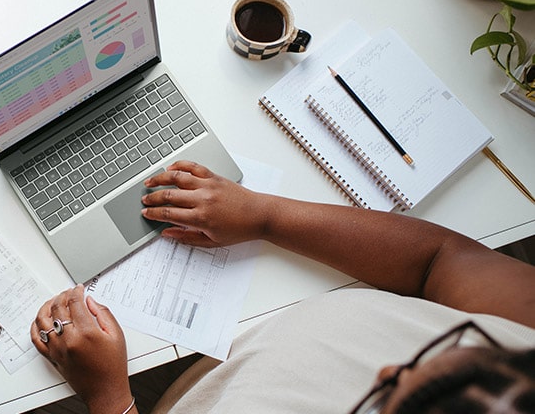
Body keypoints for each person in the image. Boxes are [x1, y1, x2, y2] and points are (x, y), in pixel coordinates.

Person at [30, 161, 535, 413]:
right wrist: (265, 216)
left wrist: (109, 397)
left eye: (383, 397)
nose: (384, 367)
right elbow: (442, 260)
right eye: (462, 343)